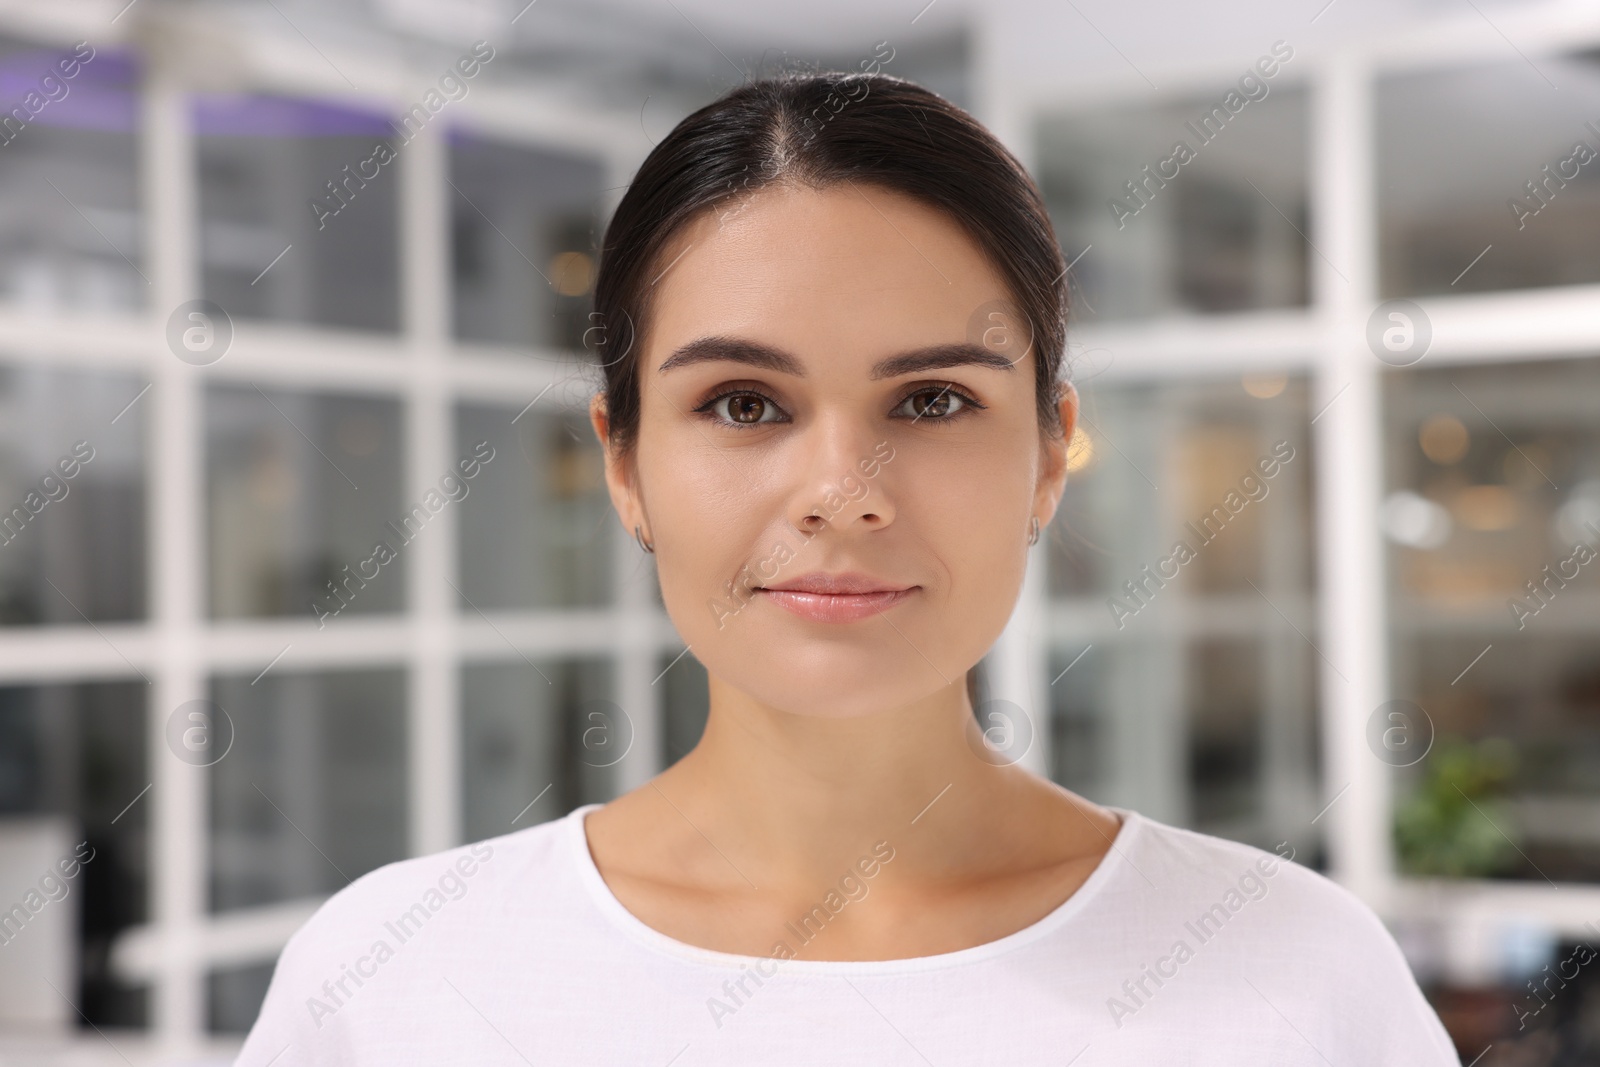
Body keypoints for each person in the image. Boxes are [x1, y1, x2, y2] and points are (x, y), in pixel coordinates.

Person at [234, 71, 1461, 1065]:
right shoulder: (395, 975)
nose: (843, 494)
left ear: (1047, 455)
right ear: (623, 464)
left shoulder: (1292, 977)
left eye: (930, 398)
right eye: (742, 402)